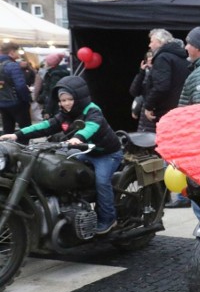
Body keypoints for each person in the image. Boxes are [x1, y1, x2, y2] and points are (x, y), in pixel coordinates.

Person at [1, 75, 125, 234]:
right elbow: (47, 125)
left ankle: (108, 219)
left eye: (69, 99)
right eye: (62, 100)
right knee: (65, 171)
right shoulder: (65, 114)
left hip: (107, 154)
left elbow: (91, 127)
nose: (66, 103)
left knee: (102, 182)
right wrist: (18, 135)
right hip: (85, 151)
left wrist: (77, 138)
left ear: (79, 97)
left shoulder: (93, 110)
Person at [142, 28, 191, 128]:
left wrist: (148, 106)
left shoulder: (163, 58)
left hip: (166, 111)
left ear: (160, 42)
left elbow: (161, 86)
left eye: (151, 42)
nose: (149, 45)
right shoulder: (182, 57)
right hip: (181, 108)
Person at [0, 42, 32, 135]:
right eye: (17, 51)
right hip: (17, 102)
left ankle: (7, 148)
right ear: (12, 52)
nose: (19, 54)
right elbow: (20, 86)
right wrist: (26, 99)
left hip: (2, 102)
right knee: (26, 130)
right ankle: (25, 147)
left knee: (7, 129)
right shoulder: (12, 65)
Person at [37, 53, 70, 120]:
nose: (45, 63)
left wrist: (48, 111)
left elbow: (52, 93)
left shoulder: (54, 75)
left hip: (54, 108)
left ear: (51, 63)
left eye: (46, 61)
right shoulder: (53, 73)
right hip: (55, 106)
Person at [129, 51, 155, 132]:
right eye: (148, 58)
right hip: (145, 117)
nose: (150, 59)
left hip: (155, 112)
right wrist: (141, 72)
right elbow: (135, 92)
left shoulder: (161, 73)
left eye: (152, 57)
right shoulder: (144, 74)